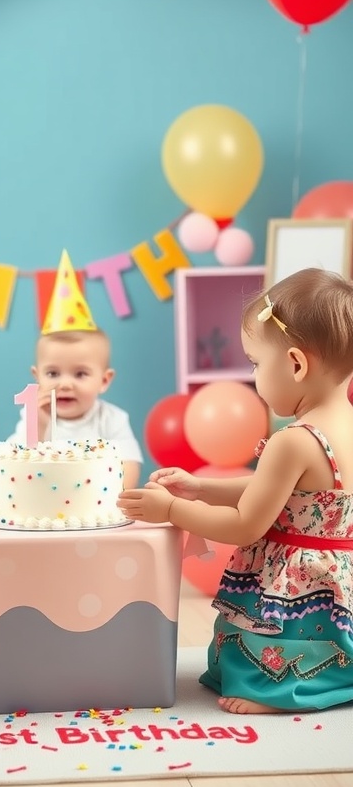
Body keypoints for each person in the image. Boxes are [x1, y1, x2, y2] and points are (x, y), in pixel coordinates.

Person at [118, 267, 353, 714]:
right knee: (332, 638)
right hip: (338, 578)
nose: (253, 376)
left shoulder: (293, 440)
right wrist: (201, 486)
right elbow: (294, 497)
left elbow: (247, 524)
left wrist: (171, 509)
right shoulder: (346, 425)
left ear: (297, 364)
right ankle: (336, 673)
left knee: (267, 640)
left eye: (256, 363)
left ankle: (279, 690)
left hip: (297, 584)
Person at [8, 328, 143, 488]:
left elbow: (129, 464)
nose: (65, 384)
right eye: (53, 373)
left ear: (104, 380)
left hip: (99, 505)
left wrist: (117, 501)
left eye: (80, 374)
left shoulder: (112, 419)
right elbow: (16, 467)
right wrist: (40, 425)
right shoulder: (33, 416)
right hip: (44, 504)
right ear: (37, 377)